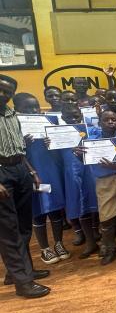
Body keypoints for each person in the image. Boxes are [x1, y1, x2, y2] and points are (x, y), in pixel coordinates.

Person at [0, 74, 51, 298]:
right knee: (8, 230)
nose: (4, 94)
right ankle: (23, 282)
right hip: (1, 173)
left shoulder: (12, 115)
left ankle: (20, 272)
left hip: (20, 168)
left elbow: (19, 146)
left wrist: (31, 171)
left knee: (23, 226)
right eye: (1, 89)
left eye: (8, 92)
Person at [13, 93, 69, 264]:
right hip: (31, 173)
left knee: (55, 209)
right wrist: (22, 143)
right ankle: (45, 248)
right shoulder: (15, 128)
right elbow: (16, 155)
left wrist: (52, 142)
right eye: (27, 108)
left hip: (51, 171)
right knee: (38, 212)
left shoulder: (50, 122)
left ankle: (59, 243)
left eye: (35, 106)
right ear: (17, 110)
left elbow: (61, 149)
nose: (33, 110)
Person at [80, 110, 116, 265]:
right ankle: (111, 246)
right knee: (106, 219)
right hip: (103, 181)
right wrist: (77, 154)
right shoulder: (91, 140)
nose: (111, 122)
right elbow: (86, 160)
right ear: (100, 123)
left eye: (114, 119)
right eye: (106, 120)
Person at [49, 104, 99, 259]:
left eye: (76, 116)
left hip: (92, 173)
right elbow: (56, 159)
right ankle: (90, 242)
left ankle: (103, 239)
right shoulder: (59, 135)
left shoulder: (92, 130)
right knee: (81, 209)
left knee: (99, 207)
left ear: (81, 114)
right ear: (63, 118)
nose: (73, 119)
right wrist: (49, 144)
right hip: (73, 175)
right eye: (69, 117)